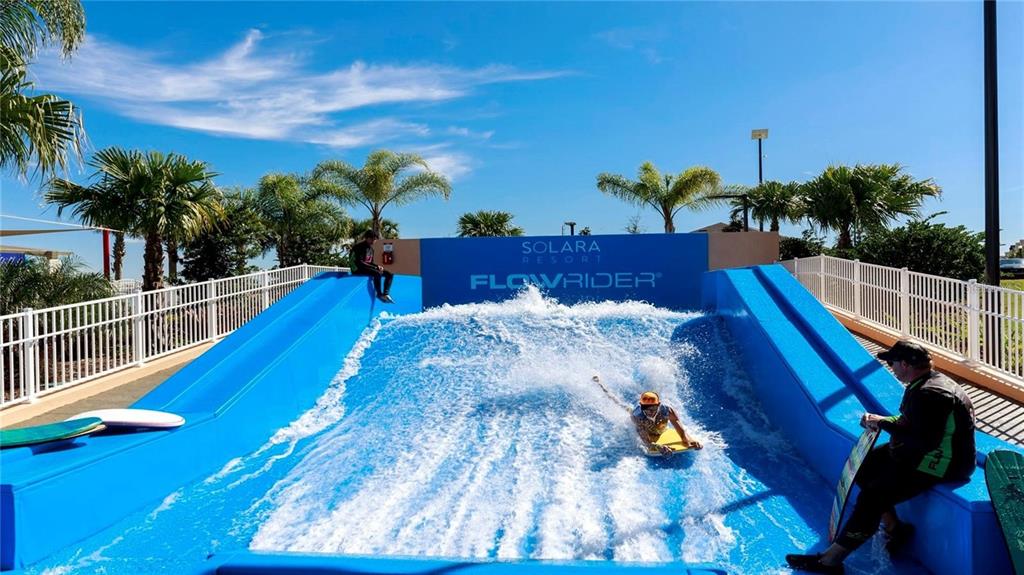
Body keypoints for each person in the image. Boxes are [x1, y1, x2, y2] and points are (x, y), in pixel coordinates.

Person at [786, 340, 976, 574]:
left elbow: (924, 441)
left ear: (905, 364)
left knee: (873, 498)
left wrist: (886, 426)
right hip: (924, 451)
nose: (891, 368)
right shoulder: (923, 383)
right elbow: (911, 423)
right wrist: (881, 420)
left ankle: (831, 561)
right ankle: (895, 528)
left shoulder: (932, 394)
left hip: (941, 463)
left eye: (892, 363)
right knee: (865, 467)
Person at [631, 391, 703, 453]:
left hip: (660, 426)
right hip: (646, 430)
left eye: (653, 407)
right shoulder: (637, 416)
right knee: (645, 422)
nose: (650, 411)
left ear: (659, 404)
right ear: (641, 406)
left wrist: (689, 441)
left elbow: (681, 430)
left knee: (661, 421)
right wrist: (657, 446)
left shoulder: (667, 410)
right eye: (646, 408)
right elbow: (647, 443)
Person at [352, 230, 394, 303]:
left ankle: (385, 294)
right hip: (357, 268)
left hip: (365, 267)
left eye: (375, 239)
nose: (374, 241)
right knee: (377, 273)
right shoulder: (359, 247)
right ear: (367, 238)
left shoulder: (371, 249)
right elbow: (359, 262)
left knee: (389, 274)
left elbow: (370, 262)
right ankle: (379, 294)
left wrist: (377, 266)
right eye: (373, 239)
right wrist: (375, 268)